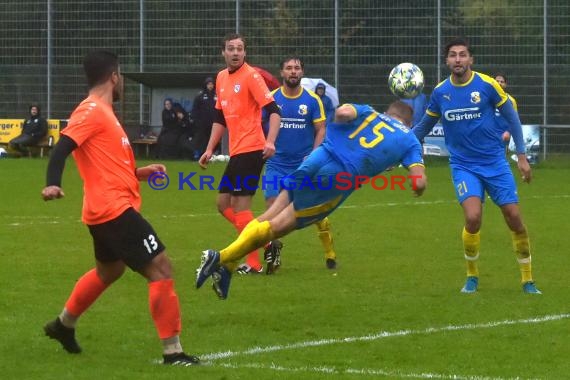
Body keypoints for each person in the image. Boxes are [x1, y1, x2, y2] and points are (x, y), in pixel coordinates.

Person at [41, 50, 200, 366]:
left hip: (106, 209)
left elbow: (107, 164)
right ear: (114, 76)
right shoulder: (91, 111)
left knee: (109, 270)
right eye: (121, 76)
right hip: (113, 211)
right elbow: (61, 149)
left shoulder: (104, 112)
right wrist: (52, 182)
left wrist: (141, 172)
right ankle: (174, 352)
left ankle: (63, 324)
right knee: (162, 268)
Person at [195, 101, 427, 299]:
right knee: (278, 227)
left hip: (319, 156)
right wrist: (416, 186)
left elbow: (343, 113)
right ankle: (220, 257)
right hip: (339, 176)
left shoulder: (370, 111)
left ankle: (227, 266)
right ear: (408, 122)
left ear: (388, 112)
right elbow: (419, 181)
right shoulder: (411, 140)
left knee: (267, 216)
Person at [413, 37, 540, 294]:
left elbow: (512, 119)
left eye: (462, 55)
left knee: (514, 218)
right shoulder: (440, 93)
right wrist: (399, 150)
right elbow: (423, 127)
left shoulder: (487, 85)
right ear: (446, 60)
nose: (458, 59)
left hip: (494, 162)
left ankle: (527, 279)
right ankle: (472, 276)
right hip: (463, 165)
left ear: (470, 59)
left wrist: (523, 157)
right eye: (452, 55)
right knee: (473, 218)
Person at [198, 33, 281, 274]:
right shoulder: (221, 77)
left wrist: (271, 141)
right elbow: (220, 117)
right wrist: (209, 148)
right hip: (237, 150)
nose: (235, 53)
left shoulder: (252, 76)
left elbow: (274, 110)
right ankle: (267, 242)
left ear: (245, 53)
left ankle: (253, 264)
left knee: (240, 205)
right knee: (223, 203)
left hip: (253, 147)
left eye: (240, 49)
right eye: (231, 49)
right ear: (223, 52)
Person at [261, 56, 337, 274]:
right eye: (288, 68)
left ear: (302, 73)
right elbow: (259, 124)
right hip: (276, 164)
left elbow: (321, 129)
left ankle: (330, 253)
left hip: (304, 166)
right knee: (271, 211)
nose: (293, 71)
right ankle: (274, 256)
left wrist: (314, 155)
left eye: (296, 68)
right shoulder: (272, 99)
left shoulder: (312, 100)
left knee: (315, 212)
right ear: (282, 73)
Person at [190, 77, 217, 161]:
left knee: (211, 139)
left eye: (212, 84)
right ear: (206, 85)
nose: (210, 86)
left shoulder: (217, 95)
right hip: (201, 122)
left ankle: (210, 155)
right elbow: (195, 108)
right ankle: (197, 154)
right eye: (209, 84)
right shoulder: (200, 96)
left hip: (213, 122)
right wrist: (195, 120)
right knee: (199, 138)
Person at [494, 72, 518, 145]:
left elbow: (514, 119)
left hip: (502, 136)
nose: (499, 83)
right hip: (486, 135)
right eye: (497, 81)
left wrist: (508, 131)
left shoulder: (511, 100)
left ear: (505, 84)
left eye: (502, 82)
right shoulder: (485, 98)